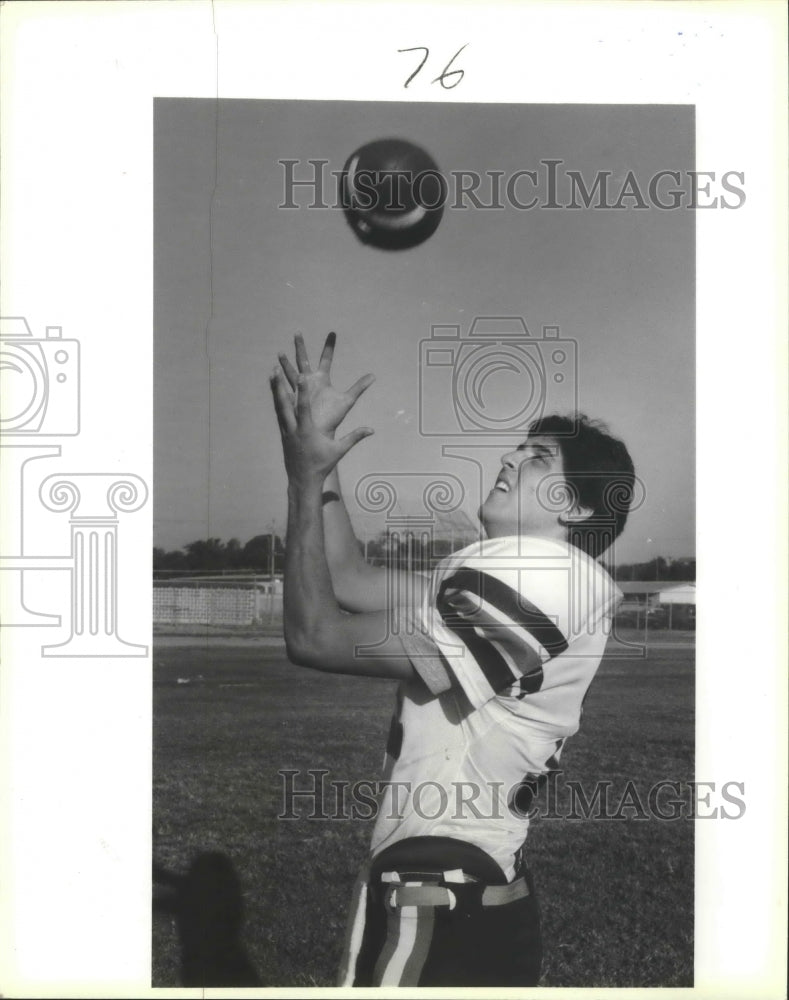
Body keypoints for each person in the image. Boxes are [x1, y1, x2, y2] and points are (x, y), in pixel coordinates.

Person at [270, 332, 636, 987]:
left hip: (441, 890)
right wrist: (318, 461)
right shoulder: (523, 573)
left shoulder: (548, 575)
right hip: (464, 883)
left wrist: (302, 478)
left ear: (579, 506)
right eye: (519, 446)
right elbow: (348, 577)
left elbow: (316, 636)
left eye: (538, 458)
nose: (512, 457)